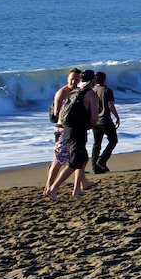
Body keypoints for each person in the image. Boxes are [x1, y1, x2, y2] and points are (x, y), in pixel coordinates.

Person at [45, 69, 100, 197]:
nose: (74, 81)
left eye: (76, 79)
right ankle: (50, 188)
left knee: (82, 158)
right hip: (65, 129)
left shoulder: (75, 92)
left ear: (81, 79)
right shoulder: (64, 92)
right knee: (62, 160)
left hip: (71, 129)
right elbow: (56, 115)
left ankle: (79, 186)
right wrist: (89, 125)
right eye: (72, 79)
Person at [90, 70, 120, 174]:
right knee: (113, 140)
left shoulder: (92, 90)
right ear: (104, 79)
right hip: (105, 120)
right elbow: (110, 105)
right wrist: (117, 117)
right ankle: (102, 161)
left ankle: (94, 166)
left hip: (95, 120)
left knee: (96, 144)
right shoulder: (107, 90)